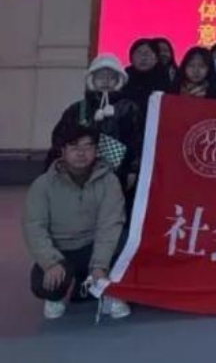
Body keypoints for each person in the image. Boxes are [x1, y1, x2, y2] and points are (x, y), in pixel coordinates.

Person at [22, 123, 131, 320]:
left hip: (93, 245)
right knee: (43, 284)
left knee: (127, 241)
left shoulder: (109, 182)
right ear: (62, 151)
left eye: (88, 146)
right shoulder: (43, 185)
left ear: (96, 150)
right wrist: (50, 262)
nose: (81, 153)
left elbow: (110, 224)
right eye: (74, 147)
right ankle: (55, 297)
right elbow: (34, 228)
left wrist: (100, 265)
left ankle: (108, 290)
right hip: (62, 251)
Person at [48, 55, 143, 193]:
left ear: (119, 80)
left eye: (111, 77)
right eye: (101, 77)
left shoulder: (129, 108)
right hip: (81, 173)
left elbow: (138, 141)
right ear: (92, 79)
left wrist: (134, 169)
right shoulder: (78, 108)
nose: (106, 81)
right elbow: (60, 138)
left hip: (119, 174)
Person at [122, 38, 170, 114]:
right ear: (131, 58)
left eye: (147, 54)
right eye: (139, 53)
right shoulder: (123, 76)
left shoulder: (164, 77)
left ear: (156, 58)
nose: (143, 58)